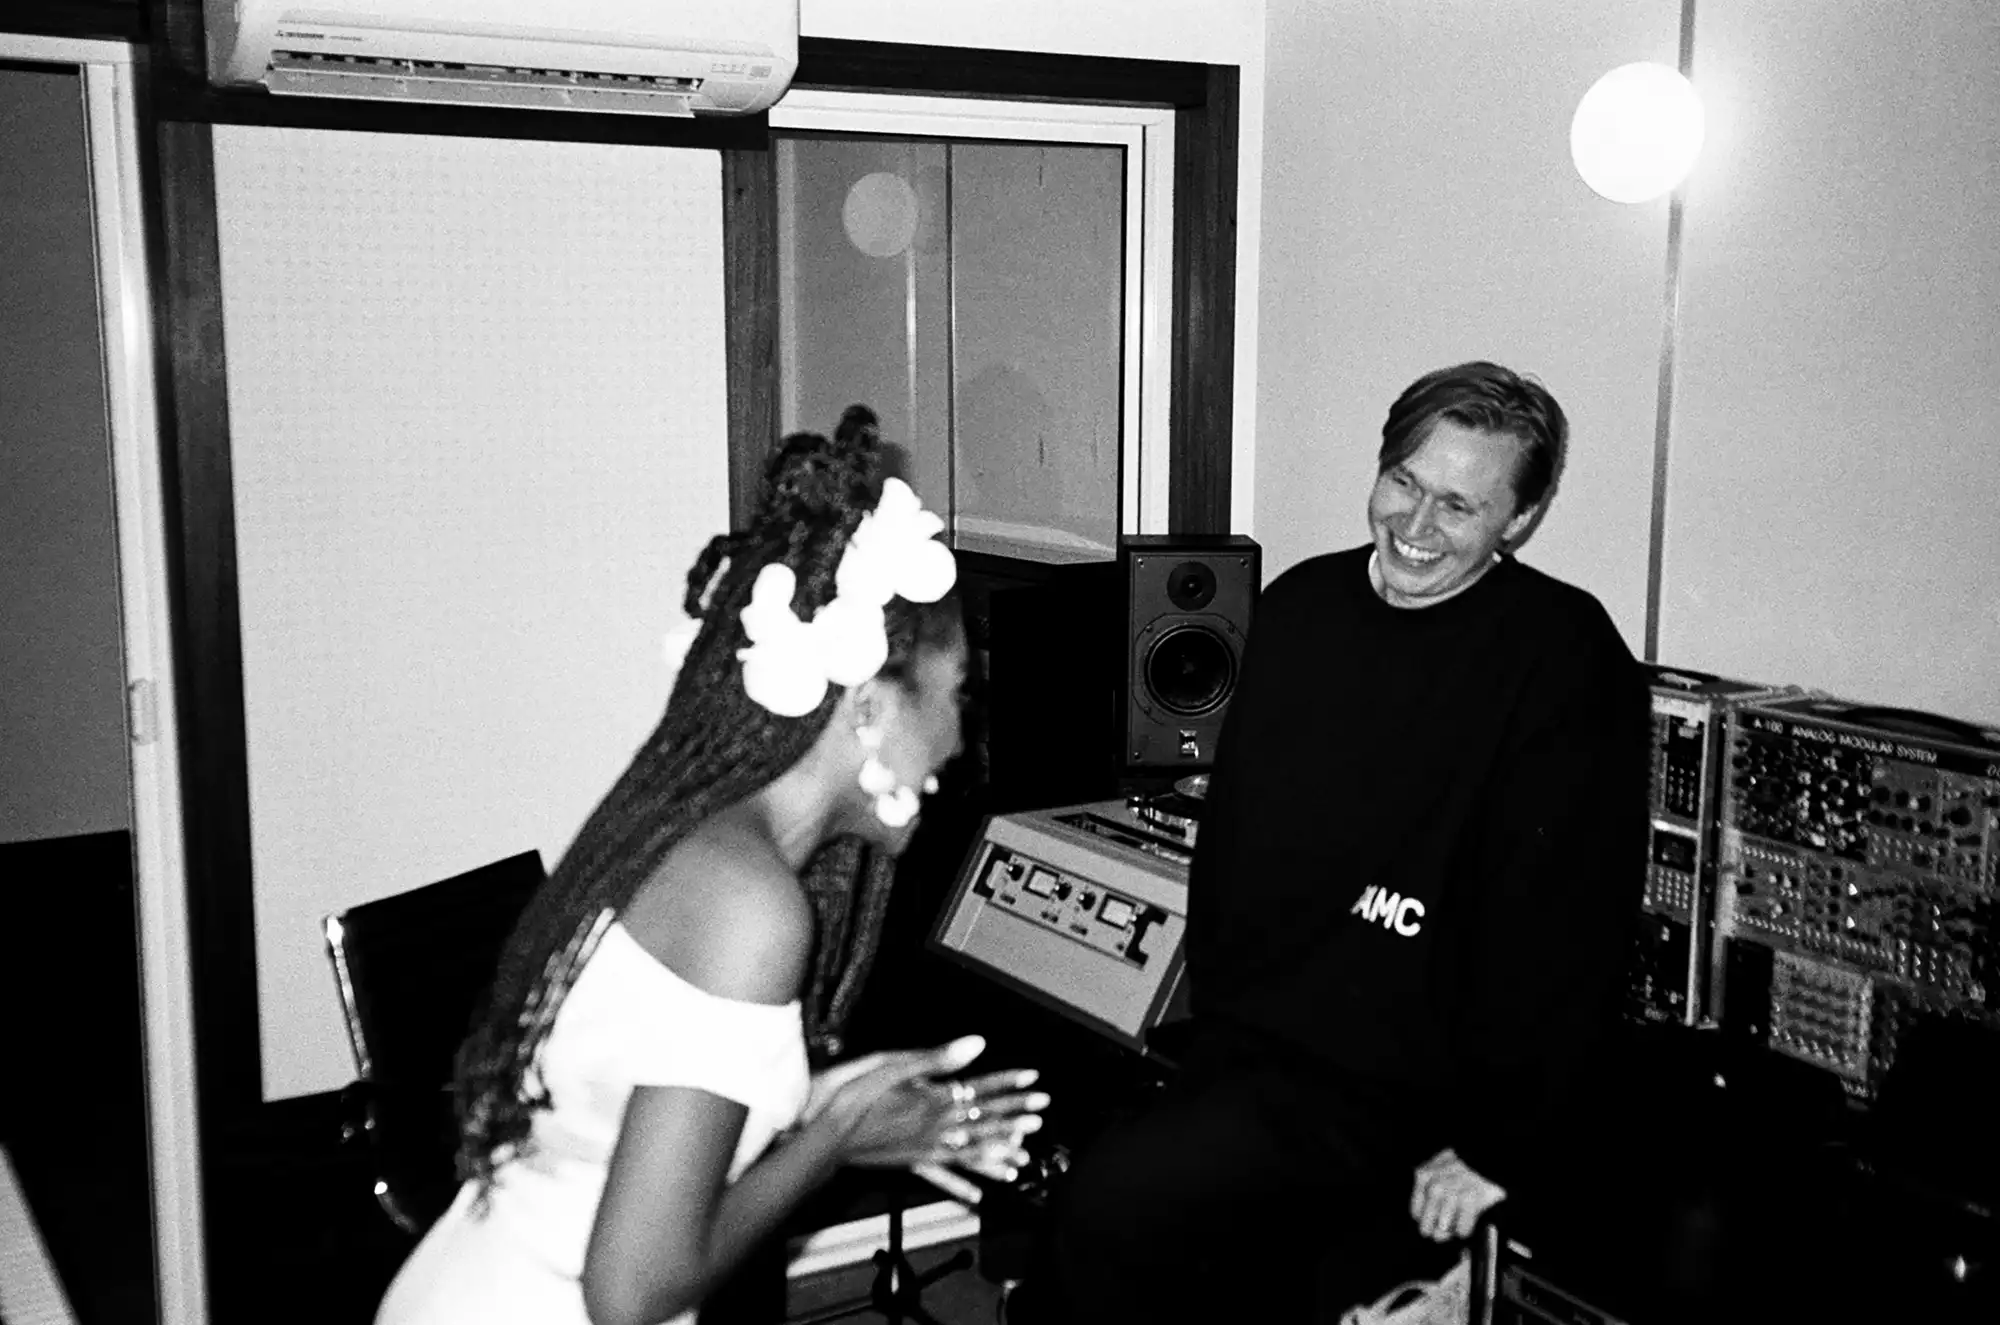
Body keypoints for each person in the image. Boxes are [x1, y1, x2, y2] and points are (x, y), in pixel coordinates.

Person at [376, 406, 1048, 1325]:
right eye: (959, 693)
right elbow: (632, 1290)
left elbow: (628, 1118)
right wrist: (833, 1138)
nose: (962, 737)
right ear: (868, 706)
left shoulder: (701, 842)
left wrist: (820, 1107)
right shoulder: (755, 910)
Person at [1020, 361, 1650, 1321]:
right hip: (1261, 1058)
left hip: (1423, 1101)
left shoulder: (1564, 654)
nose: (1416, 524)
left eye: (1459, 505)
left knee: (1125, 1214)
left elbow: (1574, 927)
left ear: (1520, 519)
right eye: (1404, 481)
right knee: (1112, 1213)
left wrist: (1500, 1145)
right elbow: (1234, 841)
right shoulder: (1302, 604)